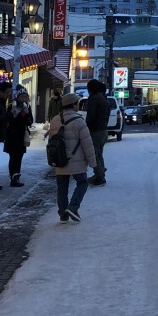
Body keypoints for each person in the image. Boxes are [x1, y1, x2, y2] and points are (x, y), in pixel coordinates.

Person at [47, 90, 97, 223]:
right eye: (77, 103)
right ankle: (73, 207)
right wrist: (93, 162)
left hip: (60, 159)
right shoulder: (79, 121)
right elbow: (87, 143)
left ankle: (63, 213)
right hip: (77, 160)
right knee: (82, 182)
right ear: (74, 104)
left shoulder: (55, 119)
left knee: (62, 187)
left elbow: (51, 141)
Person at [83, 78, 109, 186]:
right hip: (103, 130)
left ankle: (99, 175)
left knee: (94, 154)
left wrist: (86, 126)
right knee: (99, 154)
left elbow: (91, 116)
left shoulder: (94, 99)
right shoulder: (103, 98)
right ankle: (100, 173)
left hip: (95, 130)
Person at [5, 89, 33, 186]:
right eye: (22, 96)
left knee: (19, 157)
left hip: (21, 135)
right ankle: (13, 178)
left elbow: (30, 121)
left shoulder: (27, 107)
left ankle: (16, 177)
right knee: (13, 157)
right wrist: (21, 115)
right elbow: (10, 119)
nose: (24, 98)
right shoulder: (12, 106)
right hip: (12, 136)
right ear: (18, 96)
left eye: (25, 96)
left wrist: (27, 117)